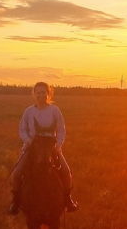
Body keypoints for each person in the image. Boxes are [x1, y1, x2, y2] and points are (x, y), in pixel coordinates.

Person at [8, 81, 79, 215]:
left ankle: (67, 199)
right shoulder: (29, 111)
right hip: (32, 146)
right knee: (16, 174)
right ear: (34, 94)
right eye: (38, 92)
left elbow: (61, 129)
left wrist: (58, 145)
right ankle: (16, 201)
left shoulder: (55, 110)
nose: (41, 95)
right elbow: (22, 129)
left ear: (49, 94)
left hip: (51, 146)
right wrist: (28, 141)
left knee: (66, 172)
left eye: (43, 92)